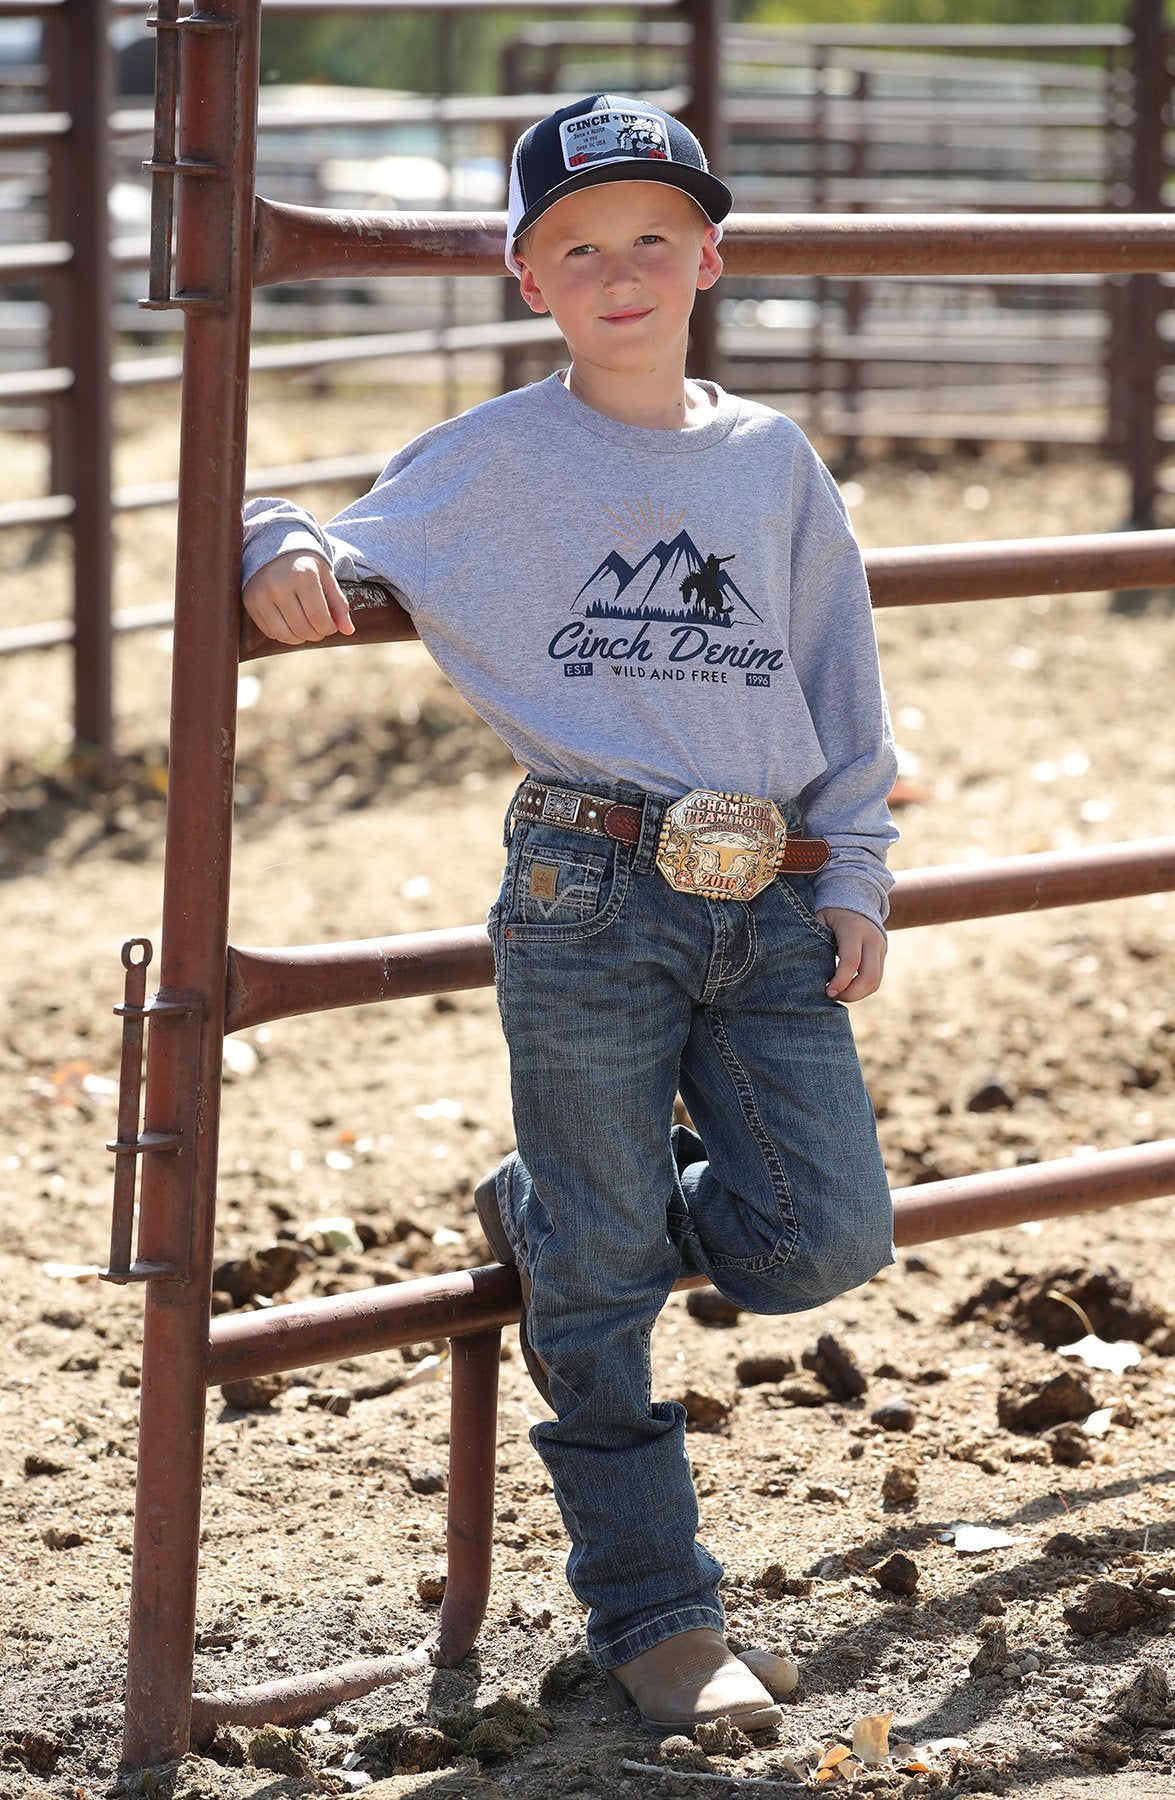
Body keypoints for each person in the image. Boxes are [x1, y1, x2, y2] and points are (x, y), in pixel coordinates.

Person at [242, 94, 898, 1737]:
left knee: (826, 1234)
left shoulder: (769, 459)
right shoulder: (499, 457)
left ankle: (557, 1212)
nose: (622, 272)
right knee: (606, 1275)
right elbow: (317, 525)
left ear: (711, 260)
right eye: (580, 247)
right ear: (530, 278)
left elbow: (838, 673)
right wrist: (276, 547)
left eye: (653, 242)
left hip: (768, 894)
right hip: (590, 885)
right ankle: (657, 1611)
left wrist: (862, 865)